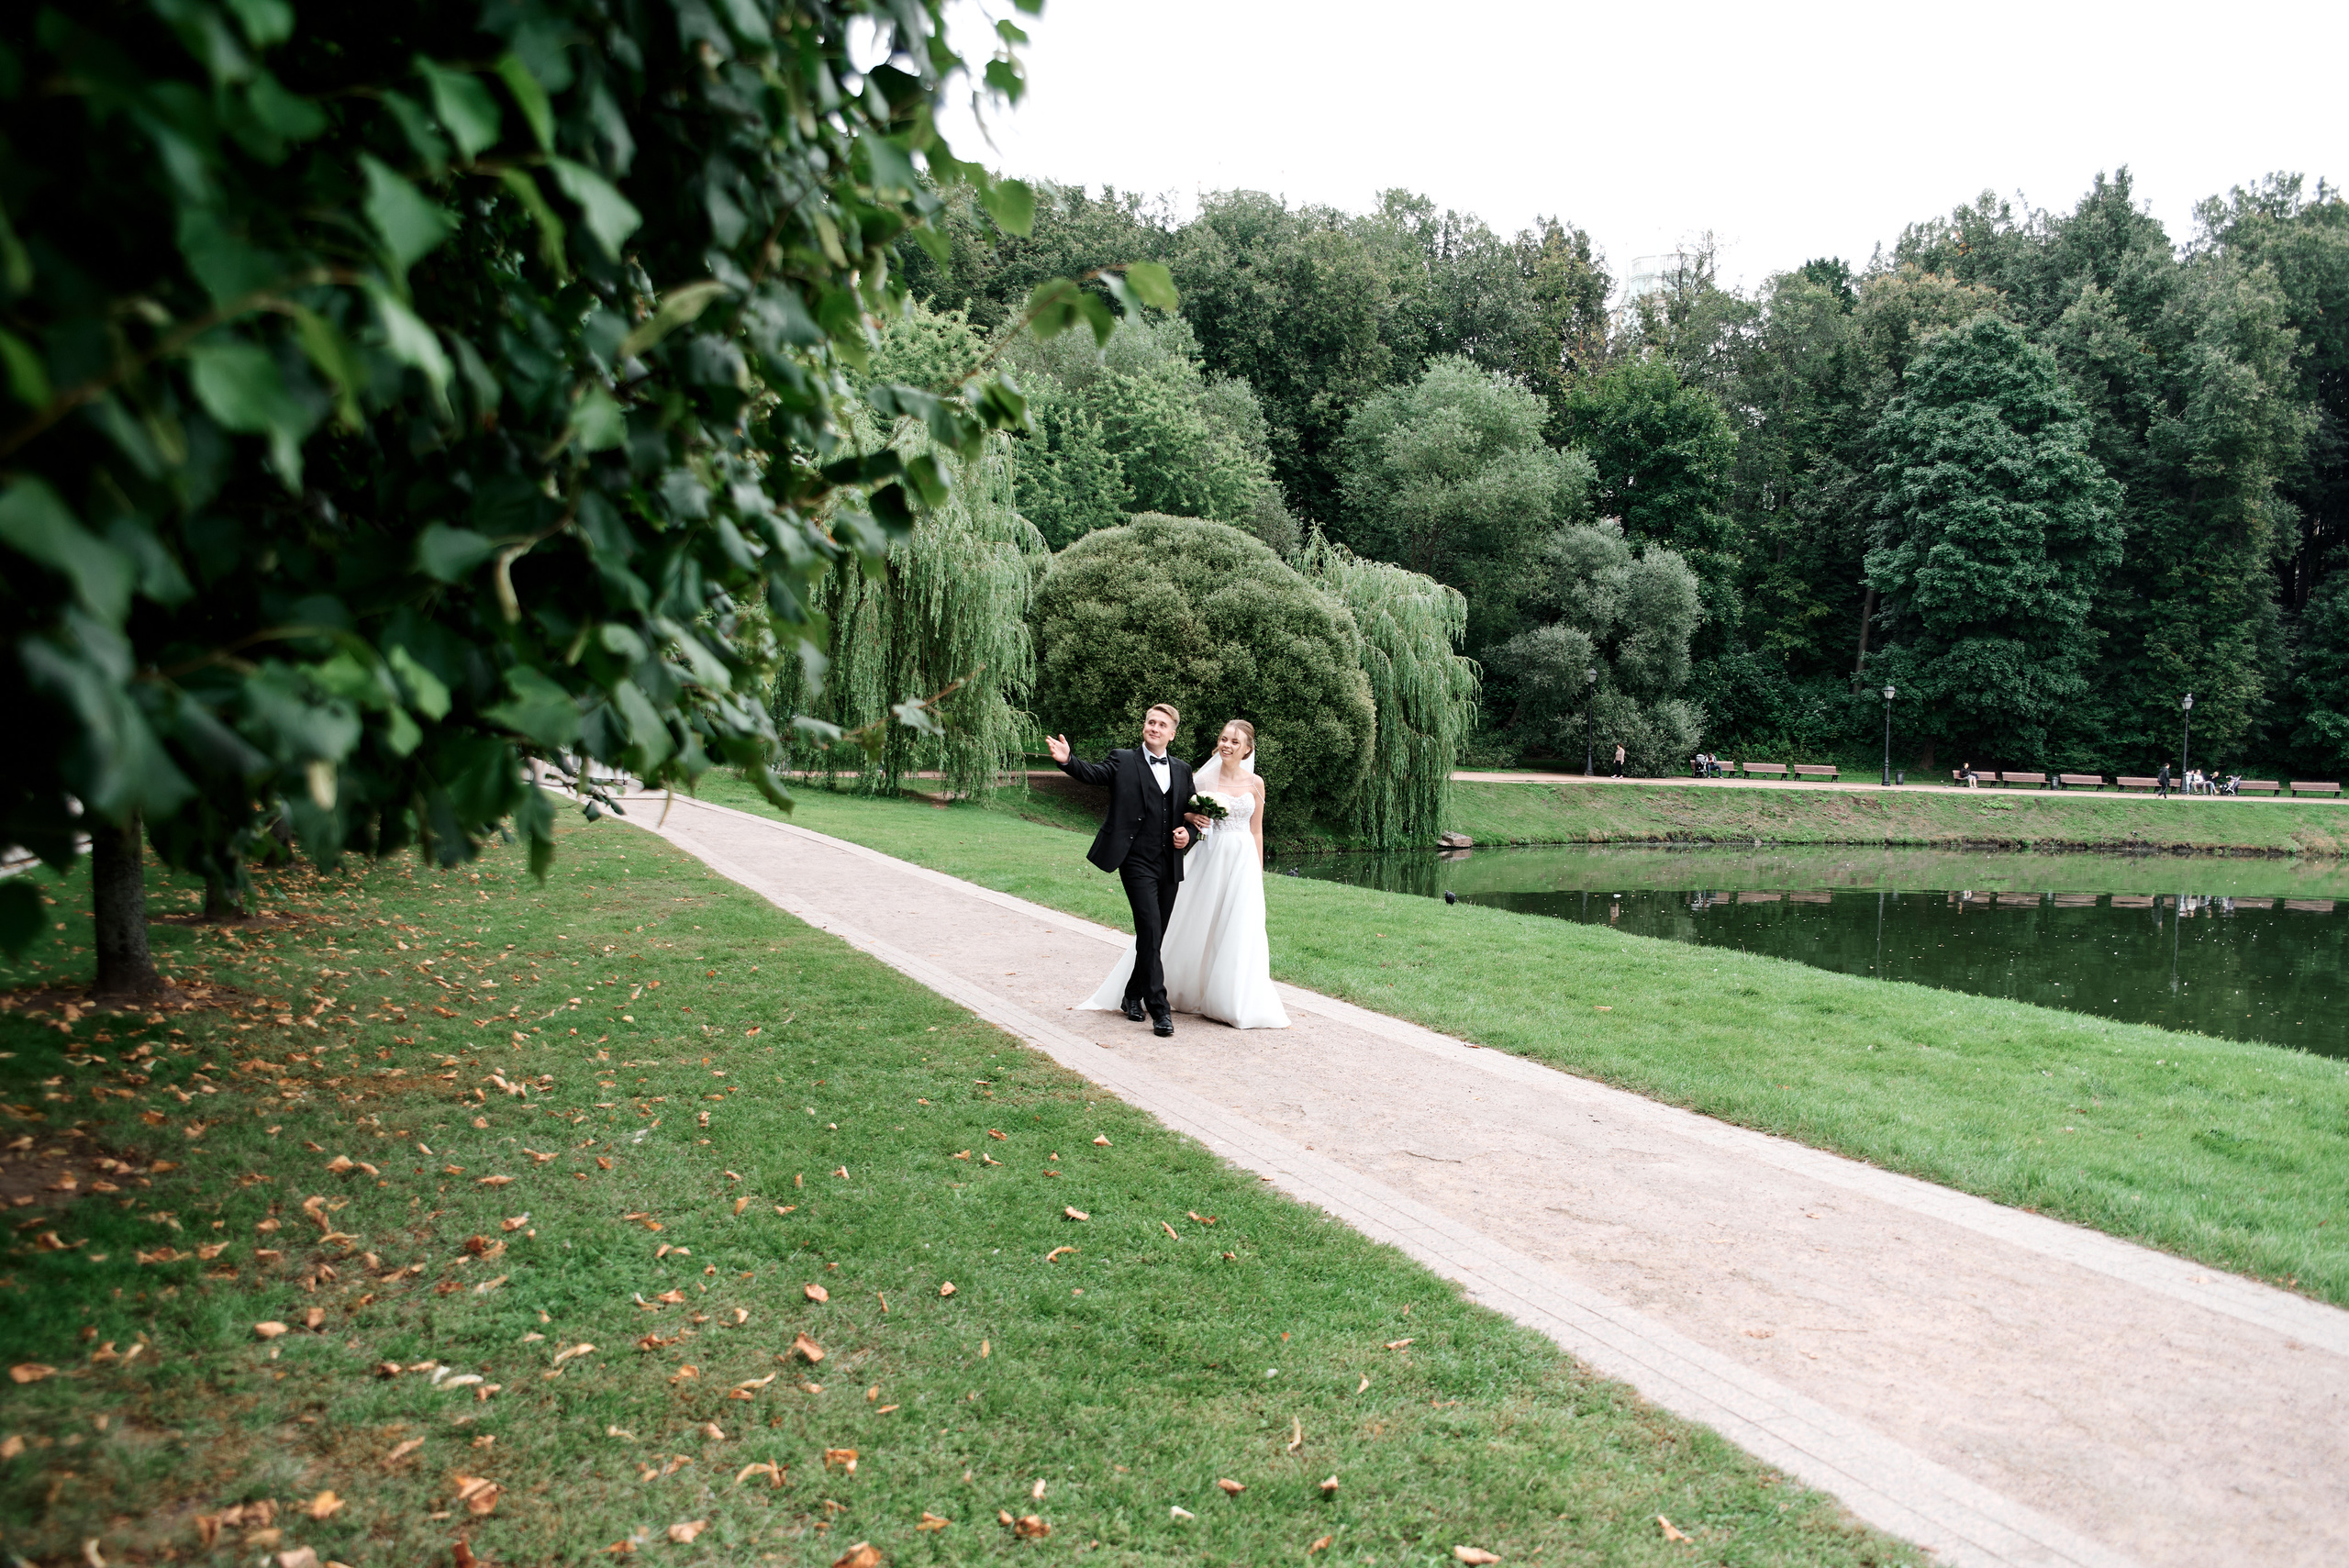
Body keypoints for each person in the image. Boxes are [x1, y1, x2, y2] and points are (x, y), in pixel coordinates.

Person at [1083, 719, 1288, 1030]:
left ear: (1247, 749)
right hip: (1208, 857)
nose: (1227, 745)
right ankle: (1140, 990)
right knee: (1177, 924)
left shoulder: (1256, 784)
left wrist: (1257, 872)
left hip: (1242, 862)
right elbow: (1173, 809)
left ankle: (1230, 997)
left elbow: (1256, 830)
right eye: (1223, 739)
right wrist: (1191, 817)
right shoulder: (1202, 778)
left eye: (1235, 742)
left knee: (1238, 927)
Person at [1047, 704, 1197, 1038]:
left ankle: (1131, 995)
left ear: (1172, 734)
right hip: (1135, 860)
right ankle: (1159, 1008)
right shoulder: (1123, 759)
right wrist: (1067, 761)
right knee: (1150, 929)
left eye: (1161, 725)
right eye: (1150, 722)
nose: (1154, 727)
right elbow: (1094, 774)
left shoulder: (1183, 770)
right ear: (1144, 727)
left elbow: (1192, 814)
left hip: (1169, 862)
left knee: (1153, 935)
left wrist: (1189, 835)